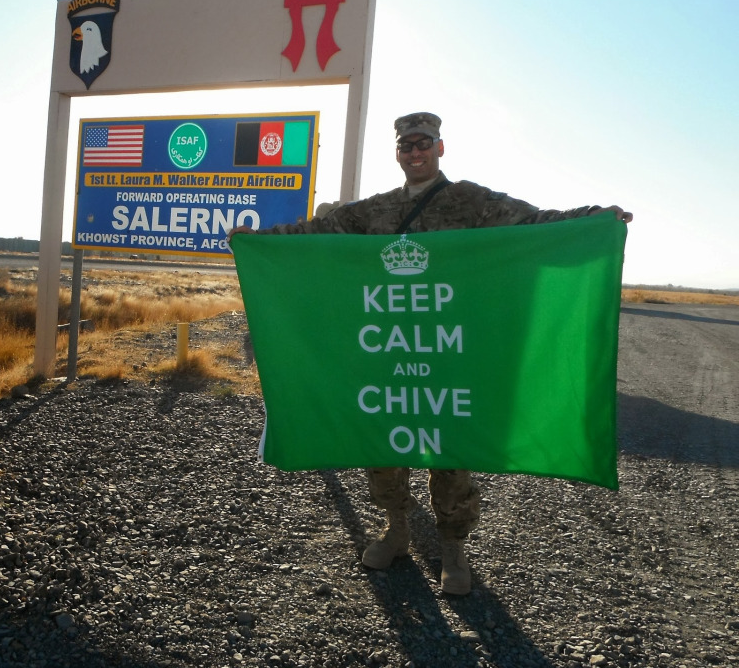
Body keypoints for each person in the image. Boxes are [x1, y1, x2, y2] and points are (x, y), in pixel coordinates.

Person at [229, 112, 632, 595]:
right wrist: (258, 242)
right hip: (386, 344)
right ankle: (396, 530)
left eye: (424, 143)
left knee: (451, 445)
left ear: (440, 147)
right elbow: (318, 232)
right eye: (407, 145)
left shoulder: (471, 202)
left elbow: (533, 223)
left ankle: (453, 548)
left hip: (449, 346)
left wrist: (594, 219)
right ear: (398, 152)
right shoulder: (375, 211)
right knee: (383, 439)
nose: (415, 152)